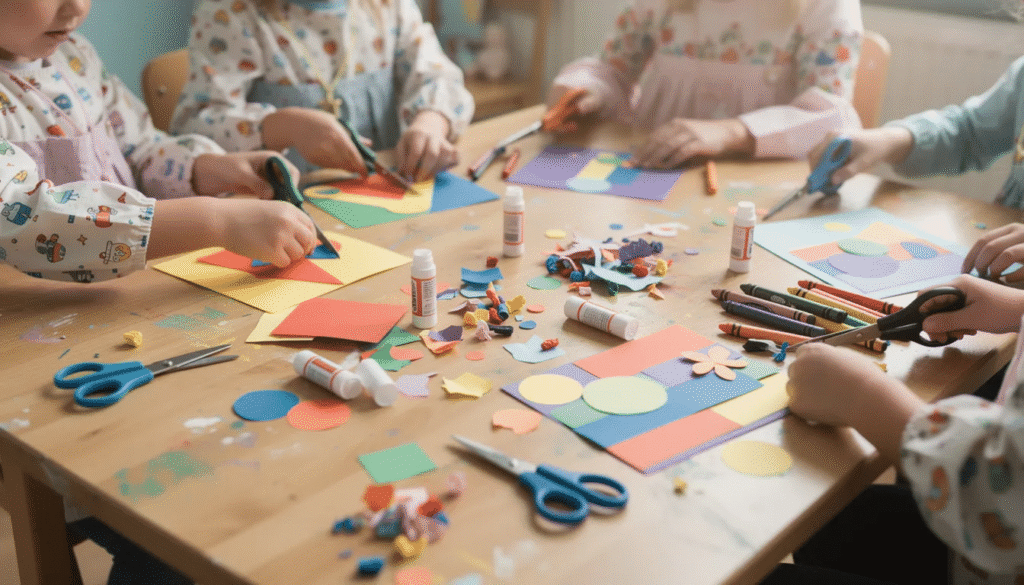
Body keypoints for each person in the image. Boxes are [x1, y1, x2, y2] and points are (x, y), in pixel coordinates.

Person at [0, 0, 318, 582]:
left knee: (228, 476)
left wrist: (208, 170)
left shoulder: (73, 56)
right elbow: (28, 220)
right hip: (36, 369)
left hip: (127, 325)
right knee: (167, 523)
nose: (77, 7)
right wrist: (216, 222)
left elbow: (143, 150)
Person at [762, 274, 1024, 585]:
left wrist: (862, 396)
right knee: (829, 521)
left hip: (993, 530)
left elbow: (1005, 498)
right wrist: (1017, 309)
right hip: (981, 558)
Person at [169, 0, 474, 182]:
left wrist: (430, 124)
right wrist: (285, 127)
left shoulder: (387, 6)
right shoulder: (231, 14)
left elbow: (438, 76)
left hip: (383, 204)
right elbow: (195, 127)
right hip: (280, 219)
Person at [547, 0, 864, 170]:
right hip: (647, 174)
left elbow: (833, 119)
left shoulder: (825, 6)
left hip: (755, 198)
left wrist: (733, 132)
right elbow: (611, 70)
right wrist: (586, 90)